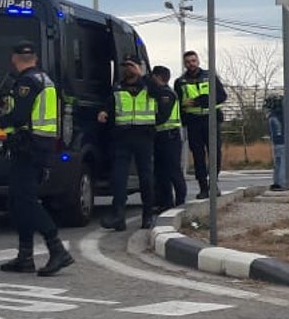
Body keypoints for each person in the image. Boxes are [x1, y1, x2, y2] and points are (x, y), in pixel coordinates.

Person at [0, 40, 73, 277]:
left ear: (14, 58)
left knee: (26, 200)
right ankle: (25, 257)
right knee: (17, 202)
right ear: (35, 57)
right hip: (39, 146)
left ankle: (57, 249)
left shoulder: (26, 82)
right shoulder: (45, 80)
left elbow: (20, 117)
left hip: (30, 147)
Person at [97, 55, 161, 231]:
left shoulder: (148, 85)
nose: (127, 69)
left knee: (146, 178)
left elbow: (160, 94)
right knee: (118, 178)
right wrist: (103, 112)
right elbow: (109, 104)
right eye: (125, 65)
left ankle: (148, 216)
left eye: (131, 65)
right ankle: (118, 216)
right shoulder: (117, 87)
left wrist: (143, 76)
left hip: (143, 136)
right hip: (122, 136)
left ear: (138, 67)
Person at [174, 50, 227, 200]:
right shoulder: (180, 82)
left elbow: (222, 96)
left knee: (214, 153)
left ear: (198, 61)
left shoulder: (209, 76)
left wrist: (202, 100)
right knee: (198, 156)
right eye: (188, 62)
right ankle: (203, 187)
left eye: (193, 61)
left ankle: (213, 184)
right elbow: (175, 102)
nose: (191, 64)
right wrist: (182, 104)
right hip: (193, 121)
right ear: (185, 64)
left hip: (211, 120)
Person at [151, 65, 187, 212]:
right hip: (160, 137)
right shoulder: (158, 93)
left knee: (173, 171)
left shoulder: (166, 94)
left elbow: (162, 117)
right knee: (161, 172)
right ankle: (165, 203)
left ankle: (180, 203)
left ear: (158, 77)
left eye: (153, 77)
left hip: (170, 137)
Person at [265, 94, 286, 191]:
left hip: (278, 141)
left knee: (279, 162)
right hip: (282, 141)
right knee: (281, 161)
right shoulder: (283, 115)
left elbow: (276, 131)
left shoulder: (273, 116)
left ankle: (278, 182)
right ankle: (280, 183)